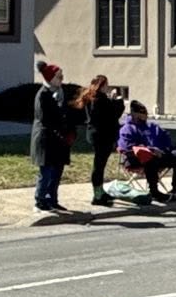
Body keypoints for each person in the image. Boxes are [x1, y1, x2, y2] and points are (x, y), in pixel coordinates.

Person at [30, 60, 76, 214]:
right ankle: (40, 201)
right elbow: (46, 119)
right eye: (58, 77)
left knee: (57, 170)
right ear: (50, 78)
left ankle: (52, 199)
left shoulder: (59, 93)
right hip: (46, 139)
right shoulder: (43, 95)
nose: (61, 79)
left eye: (62, 76)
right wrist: (59, 132)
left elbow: (66, 115)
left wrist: (69, 132)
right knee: (46, 171)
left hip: (59, 140)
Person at [117, 101, 176, 200]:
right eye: (142, 112)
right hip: (137, 159)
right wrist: (151, 150)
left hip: (159, 156)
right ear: (134, 114)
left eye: (145, 112)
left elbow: (166, 138)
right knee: (149, 157)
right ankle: (154, 191)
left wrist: (165, 150)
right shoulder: (127, 129)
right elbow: (128, 147)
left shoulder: (152, 127)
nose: (145, 115)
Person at [75, 75, 124, 205]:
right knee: (99, 165)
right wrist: (118, 100)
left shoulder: (91, 97)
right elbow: (113, 114)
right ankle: (97, 195)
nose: (108, 87)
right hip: (103, 136)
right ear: (102, 86)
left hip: (95, 135)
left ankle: (100, 191)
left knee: (99, 164)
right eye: (106, 85)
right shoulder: (100, 100)